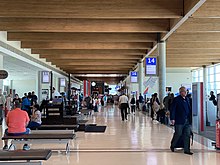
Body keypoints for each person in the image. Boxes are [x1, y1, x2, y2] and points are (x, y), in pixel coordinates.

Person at [170, 86, 193, 155]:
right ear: (180, 92)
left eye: (186, 91)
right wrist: (172, 118)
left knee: (187, 134)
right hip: (179, 120)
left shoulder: (188, 99)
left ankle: (187, 149)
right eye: (183, 91)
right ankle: (173, 145)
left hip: (187, 120)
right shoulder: (176, 99)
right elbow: (173, 109)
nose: (185, 92)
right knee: (178, 133)